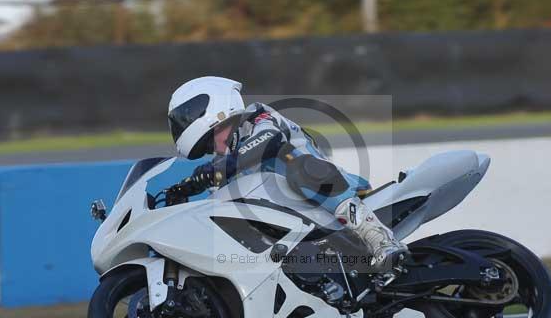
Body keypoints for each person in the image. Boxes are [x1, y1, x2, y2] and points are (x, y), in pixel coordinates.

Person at [167, 76, 407, 272]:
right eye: (208, 149)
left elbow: (266, 142)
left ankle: (380, 239)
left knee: (292, 161)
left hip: (337, 192)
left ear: (220, 116)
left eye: (212, 140)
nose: (215, 149)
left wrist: (212, 172)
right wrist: (184, 193)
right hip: (299, 229)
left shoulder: (258, 117)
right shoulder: (226, 161)